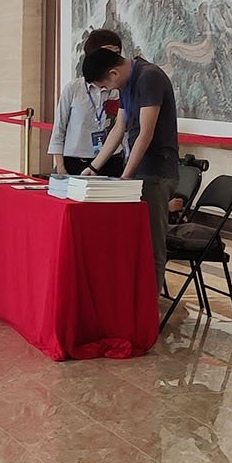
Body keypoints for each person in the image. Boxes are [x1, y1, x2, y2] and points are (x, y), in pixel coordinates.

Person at [83, 34, 181, 292]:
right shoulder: (127, 81)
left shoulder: (149, 77)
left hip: (156, 173)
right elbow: (120, 128)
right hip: (139, 171)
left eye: (105, 85)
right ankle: (134, 299)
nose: (107, 90)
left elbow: (145, 134)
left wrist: (125, 178)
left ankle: (150, 306)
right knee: (134, 242)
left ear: (114, 73)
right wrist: (93, 167)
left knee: (152, 245)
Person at [47, 35, 124, 176]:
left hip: (111, 161)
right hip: (75, 161)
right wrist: (60, 166)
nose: (113, 58)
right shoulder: (74, 88)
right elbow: (59, 128)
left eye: (117, 53)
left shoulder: (119, 89)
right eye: (107, 52)